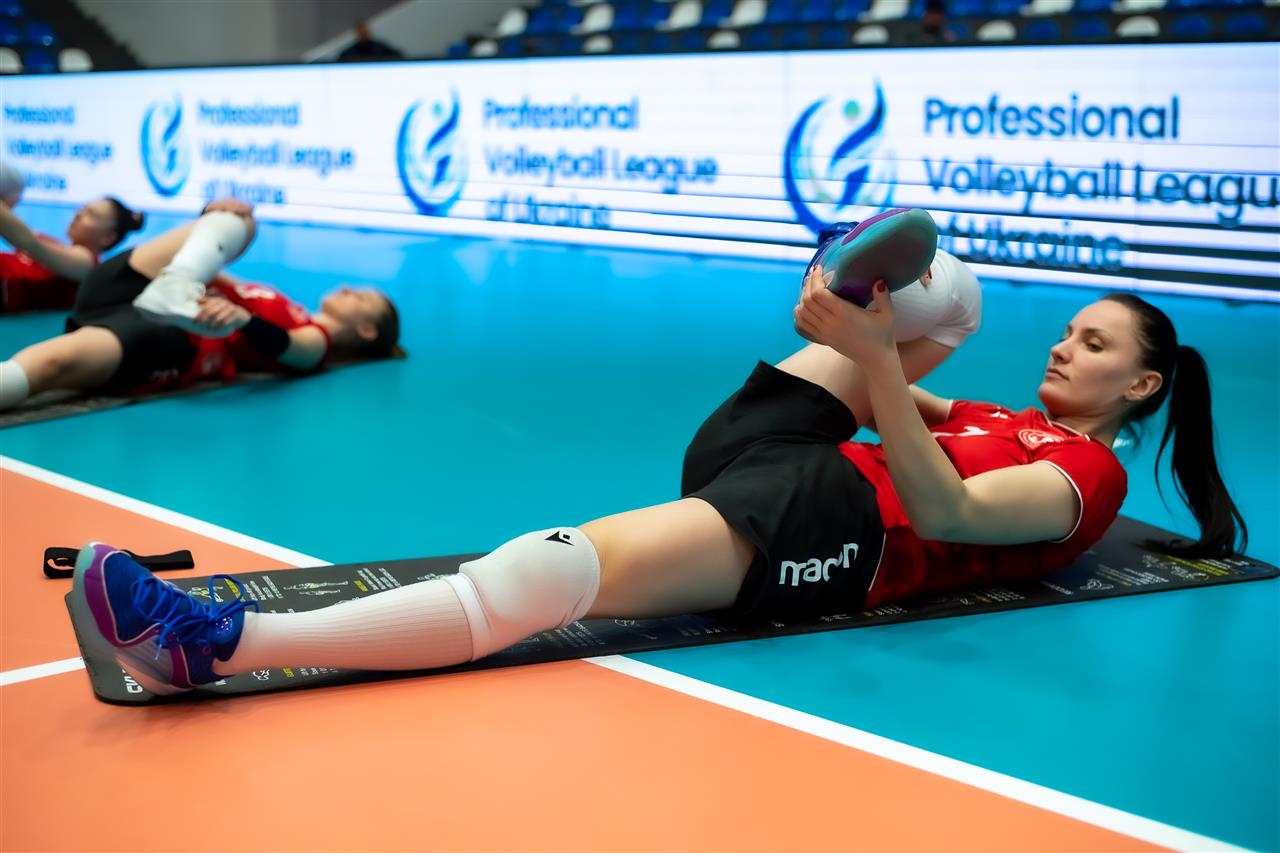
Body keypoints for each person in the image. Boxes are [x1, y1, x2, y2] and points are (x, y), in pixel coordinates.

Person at [68, 214, 1244, 698]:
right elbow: (902, 399)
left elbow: (944, 511)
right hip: (787, 462)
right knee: (947, 309)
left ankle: (213, 646)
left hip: (842, 526)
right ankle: (852, 279)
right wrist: (873, 339)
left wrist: (879, 364)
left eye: (1091, 344)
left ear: (1140, 387)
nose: (1064, 345)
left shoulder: (1083, 479)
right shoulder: (1005, 415)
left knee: (548, 568)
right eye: (1068, 329)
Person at [0, 199, 401, 411]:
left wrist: (243, 320)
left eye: (361, 297)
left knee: (49, 365)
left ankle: (176, 288)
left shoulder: (315, 339)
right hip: (148, 291)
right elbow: (217, 263)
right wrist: (213, 221)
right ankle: (177, 281)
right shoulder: (283, 300)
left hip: (179, 335)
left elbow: (297, 352)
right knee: (240, 220)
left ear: (366, 330)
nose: (347, 288)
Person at [0, 196, 145, 313]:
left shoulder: (87, 263)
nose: (78, 215)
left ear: (108, 237)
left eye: (91, 214)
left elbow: (25, 240)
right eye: (82, 209)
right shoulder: (54, 245)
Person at [337, 20, 403, 62]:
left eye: (364, 31)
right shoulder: (350, 52)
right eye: (360, 32)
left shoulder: (380, 47)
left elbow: (397, 54)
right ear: (357, 33)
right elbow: (339, 59)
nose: (363, 34)